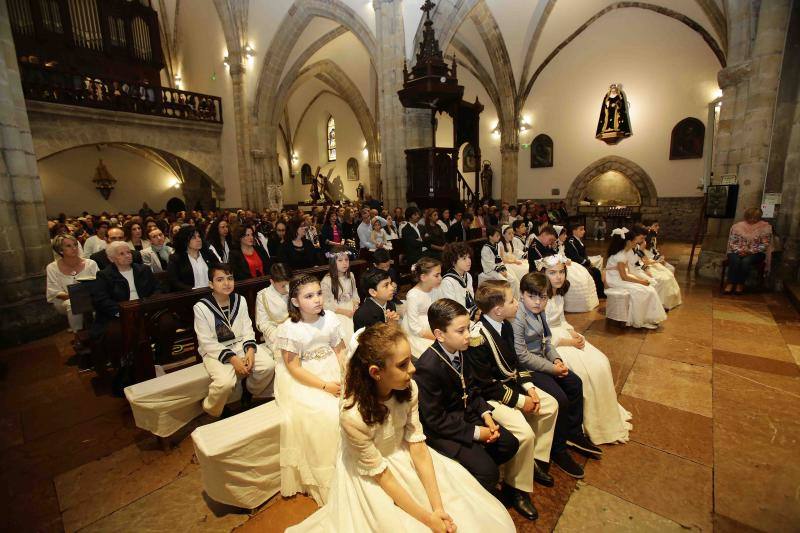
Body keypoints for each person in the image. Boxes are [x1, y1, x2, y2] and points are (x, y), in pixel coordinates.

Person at [288, 324, 516, 532]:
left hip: (407, 454)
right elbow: (383, 476)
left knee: (460, 509)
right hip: (376, 474)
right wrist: (428, 519)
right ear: (376, 373)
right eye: (402, 364)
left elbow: (417, 445)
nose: (413, 369)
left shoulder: (410, 389)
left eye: (410, 360)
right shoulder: (353, 417)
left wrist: (437, 507)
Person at [414, 299, 537, 520]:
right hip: (444, 429)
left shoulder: (461, 350)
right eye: (460, 331)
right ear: (440, 334)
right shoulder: (427, 367)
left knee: (510, 444)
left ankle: (476, 478)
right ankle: (479, 503)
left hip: (467, 414)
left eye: (468, 328)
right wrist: (479, 433)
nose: (468, 335)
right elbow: (434, 419)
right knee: (488, 472)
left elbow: (472, 389)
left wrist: (486, 415)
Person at [467, 280, 560, 491]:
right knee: (524, 434)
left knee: (550, 406)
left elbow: (515, 364)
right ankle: (515, 486)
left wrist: (530, 389)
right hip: (491, 395)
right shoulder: (477, 339)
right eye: (512, 300)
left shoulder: (505, 325)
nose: (517, 303)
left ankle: (534, 459)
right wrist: (520, 401)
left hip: (511, 384)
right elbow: (485, 385)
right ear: (499, 310)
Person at [513, 272, 601, 478]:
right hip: (527, 368)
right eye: (532, 296)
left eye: (542, 297)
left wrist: (557, 360)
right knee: (560, 398)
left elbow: (547, 341)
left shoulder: (539, 312)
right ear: (522, 294)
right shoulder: (518, 318)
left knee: (575, 382)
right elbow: (522, 356)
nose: (537, 302)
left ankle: (573, 432)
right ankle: (558, 449)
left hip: (544, 362)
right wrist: (552, 368)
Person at [540, 256, 632, 444]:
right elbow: (541, 333)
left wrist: (574, 332)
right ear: (543, 274)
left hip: (563, 334)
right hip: (550, 344)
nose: (558, 277)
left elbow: (561, 320)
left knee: (601, 361)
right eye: (552, 273)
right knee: (583, 371)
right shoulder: (539, 298)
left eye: (561, 272)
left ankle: (603, 414)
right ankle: (583, 422)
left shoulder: (558, 293)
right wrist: (568, 341)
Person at [274, 274, 348, 504]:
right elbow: (294, 367)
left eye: (318, 294)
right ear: (295, 301)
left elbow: (341, 351)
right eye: (309, 296)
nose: (317, 299)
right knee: (326, 414)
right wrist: (325, 386)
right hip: (305, 377)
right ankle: (332, 475)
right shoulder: (289, 328)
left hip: (332, 367)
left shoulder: (331, 319)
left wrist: (346, 375)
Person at [193, 263, 275, 416]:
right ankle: (211, 408)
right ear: (211, 284)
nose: (226, 283)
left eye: (230, 278)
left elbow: (247, 329)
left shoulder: (240, 300)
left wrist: (250, 351)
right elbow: (206, 342)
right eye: (220, 279)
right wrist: (233, 359)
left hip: (240, 345)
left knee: (268, 366)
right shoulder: (201, 307)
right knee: (225, 383)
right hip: (216, 351)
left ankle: (249, 390)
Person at [90, 241, 171, 369]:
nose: (128, 255)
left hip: (146, 310)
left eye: (128, 252)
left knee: (167, 322)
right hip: (120, 314)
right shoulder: (104, 275)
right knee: (115, 334)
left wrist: (150, 302)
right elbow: (101, 300)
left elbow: (158, 288)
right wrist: (121, 311)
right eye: (121, 254)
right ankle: (123, 364)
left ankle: (162, 357)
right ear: (112, 258)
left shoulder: (142, 269)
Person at [605, 227, 667, 329]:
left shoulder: (624, 253)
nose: (636, 243)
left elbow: (628, 272)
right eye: (634, 241)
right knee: (643, 291)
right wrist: (641, 282)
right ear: (628, 242)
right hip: (615, 280)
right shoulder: (620, 256)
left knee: (649, 289)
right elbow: (624, 277)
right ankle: (640, 320)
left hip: (620, 278)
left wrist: (641, 280)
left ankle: (647, 317)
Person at [46, 234, 99, 332]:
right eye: (68, 246)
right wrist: (74, 296)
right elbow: (54, 291)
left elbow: (99, 283)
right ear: (60, 250)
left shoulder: (90, 263)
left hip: (90, 297)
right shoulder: (52, 267)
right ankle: (78, 333)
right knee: (72, 304)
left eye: (75, 244)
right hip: (64, 300)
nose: (74, 248)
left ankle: (97, 331)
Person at [629, 225, 681, 310]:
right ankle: (657, 303)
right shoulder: (630, 246)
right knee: (660, 279)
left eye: (644, 238)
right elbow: (634, 262)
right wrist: (646, 268)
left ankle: (663, 302)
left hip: (641, 265)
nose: (643, 240)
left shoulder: (638, 245)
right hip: (634, 268)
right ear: (635, 236)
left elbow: (644, 259)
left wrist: (653, 262)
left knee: (667, 275)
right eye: (642, 238)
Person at [550, 225, 600, 313]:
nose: (566, 236)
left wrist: (566, 260)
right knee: (576, 277)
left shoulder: (561, 244)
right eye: (564, 234)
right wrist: (565, 260)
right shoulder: (555, 245)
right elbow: (555, 257)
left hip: (567, 262)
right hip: (560, 265)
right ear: (558, 235)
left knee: (584, 272)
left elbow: (563, 255)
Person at [724, 207, 773, 295]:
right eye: (750, 217)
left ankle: (740, 284)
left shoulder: (765, 227)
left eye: (755, 218)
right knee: (735, 260)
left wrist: (749, 251)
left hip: (756, 253)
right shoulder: (737, 226)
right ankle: (730, 283)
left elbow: (764, 244)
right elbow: (732, 241)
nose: (753, 220)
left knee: (746, 261)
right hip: (736, 250)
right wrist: (739, 250)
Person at [402, 257, 442, 358]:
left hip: (433, 324)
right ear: (423, 277)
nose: (440, 278)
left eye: (440, 274)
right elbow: (414, 328)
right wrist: (435, 336)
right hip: (417, 332)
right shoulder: (413, 295)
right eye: (436, 275)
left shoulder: (435, 289)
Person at [321, 247, 360, 342]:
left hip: (351, 306)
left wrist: (355, 304)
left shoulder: (351, 275)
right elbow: (326, 304)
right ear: (333, 262)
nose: (344, 263)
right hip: (337, 310)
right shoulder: (327, 280)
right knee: (346, 332)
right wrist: (345, 312)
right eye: (340, 260)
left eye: (346, 260)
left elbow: (354, 292)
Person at [167, 226, 217, 291]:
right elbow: (174, 282)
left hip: (212, 291)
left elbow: (219, 269)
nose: (199, 240)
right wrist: (193, 291)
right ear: (185, 241)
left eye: (199, 236)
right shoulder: (176, 258)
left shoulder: (208, 254)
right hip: (190, 295)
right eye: (193, 238)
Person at [564, 223, 605, 299]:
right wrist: (587, 262)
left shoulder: (577, 239)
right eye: (581, 229)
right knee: (596, 272)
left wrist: (587, 261)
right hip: (575, 264)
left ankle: (599, 292)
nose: (584, 231)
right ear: (574, 231)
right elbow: (574, 256)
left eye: (583, 229)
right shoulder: (571, 240)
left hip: (581, 262)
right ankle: (599, 293)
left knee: (596, 269)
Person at [255, 263, 292, 348]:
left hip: (296, 330)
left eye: (288, 284)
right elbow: (263, 323)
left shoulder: (294, 289)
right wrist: (279, 337)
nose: (287, 288)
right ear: (272, 282)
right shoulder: (263, 296)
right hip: (275, 335)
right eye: (283, 286)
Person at [479, 227, 519, 297]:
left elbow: (499, 259)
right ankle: (505, 299)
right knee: (505, 281)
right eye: (497, 236)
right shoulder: (485, 248)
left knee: (513, 280)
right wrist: (500, 271)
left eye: (499, 235)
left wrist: (503, 269)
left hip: (498, 268)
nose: (499, 237)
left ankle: (511, 297)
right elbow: (489, 263)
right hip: (490, 270)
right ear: (490, 237)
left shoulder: (496, 245)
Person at [438, 242, 475, 316]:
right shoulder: (447, 281)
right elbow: (451, 308)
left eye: (469, 257)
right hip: (456, 316)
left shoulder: (468, 276)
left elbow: (471, 298)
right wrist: (471, 315)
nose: (469, 261)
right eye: (464, 258)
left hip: (469, 313)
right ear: (453, 262)